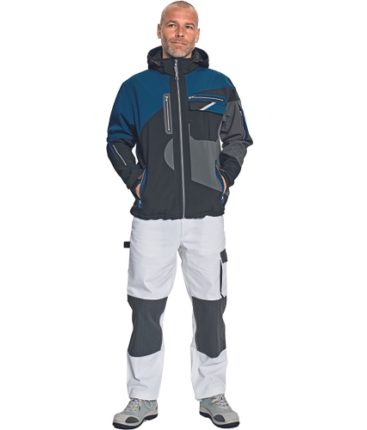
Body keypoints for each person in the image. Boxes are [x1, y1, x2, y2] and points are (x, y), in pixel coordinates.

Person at [106, 1, 253, 429]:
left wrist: (223, 181)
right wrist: (139, 183)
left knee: (211, 307)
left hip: (207, 219)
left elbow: (238, 139)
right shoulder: (134, 87)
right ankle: (141, 399)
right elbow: (116, 140)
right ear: (159, 30)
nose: (180, 33)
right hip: (152, 219)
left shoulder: (220, 84)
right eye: (172, 25)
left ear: (198, 34)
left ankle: (213, 394)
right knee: (145, 308)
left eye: (188, 26)